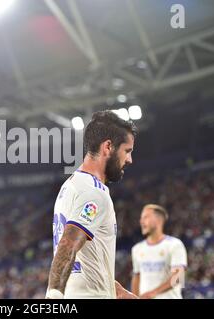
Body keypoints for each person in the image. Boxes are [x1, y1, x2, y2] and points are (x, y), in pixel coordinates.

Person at [46, 110, 138, 299]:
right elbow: (68, 243)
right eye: (127, 151)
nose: (129, 159)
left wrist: (117, 291)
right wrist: (53, 297)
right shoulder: (93, 193)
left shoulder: (72, 185)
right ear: (108, 147)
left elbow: (84, 259)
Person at [131, 204, 187, 299]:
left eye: (146, 217)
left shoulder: (175, 245)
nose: (141, 221)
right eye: (141, 218)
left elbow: (178, 277)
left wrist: (153, 293)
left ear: (158, 220)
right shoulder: (137, 249)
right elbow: (137, 277)